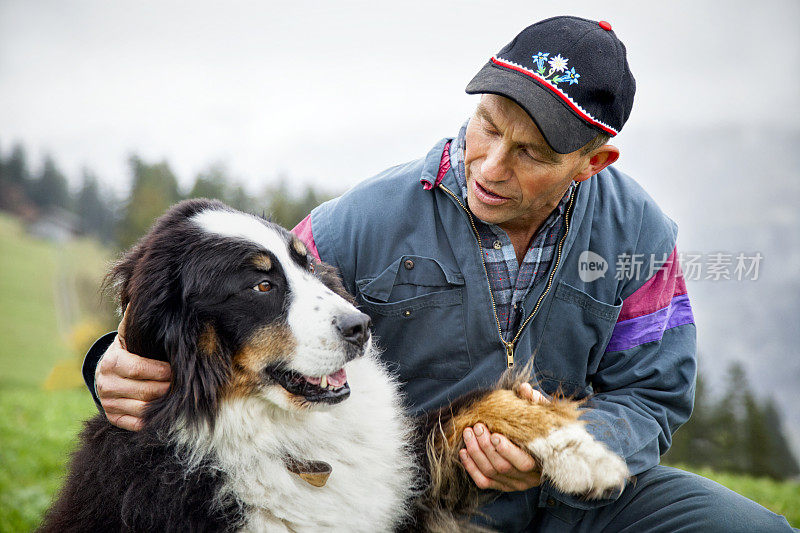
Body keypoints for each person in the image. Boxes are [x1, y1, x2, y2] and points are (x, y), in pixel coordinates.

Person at [82, 16, 795, 532]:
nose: (490, 165)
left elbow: (653, 396)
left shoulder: (643, 236)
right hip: (420, 504)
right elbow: (231, 314)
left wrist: (553, 453)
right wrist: (107, 360)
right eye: (487, 124)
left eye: (531, 151)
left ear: (593, 161)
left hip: (587, 497)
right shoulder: (356, 222)